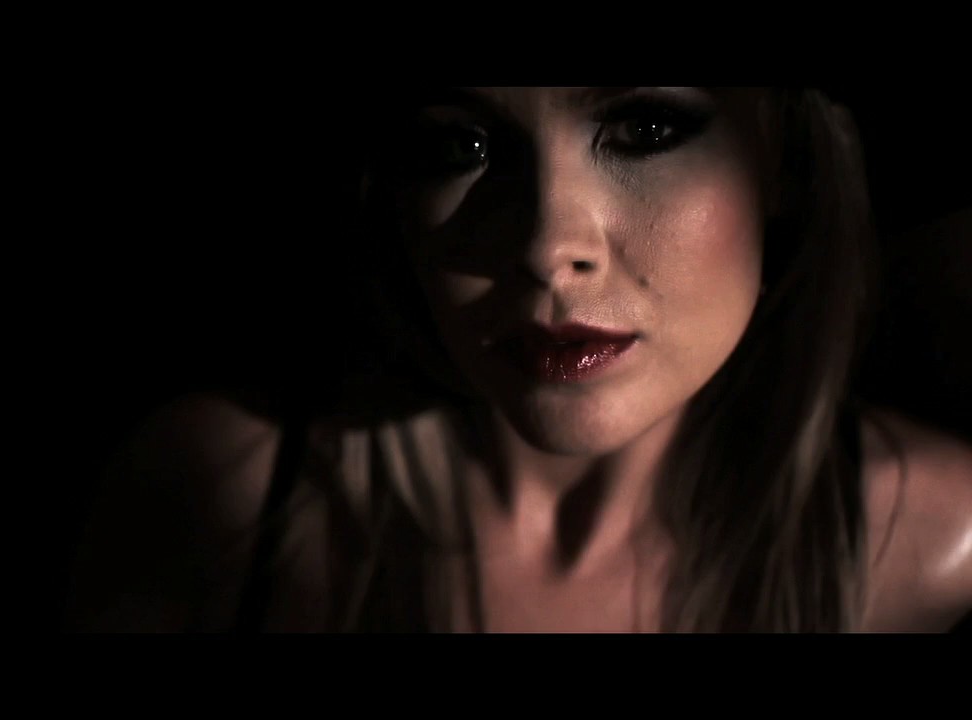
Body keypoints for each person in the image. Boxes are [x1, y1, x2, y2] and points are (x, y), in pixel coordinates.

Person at [66, 87, 972, 633]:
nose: (546, 246)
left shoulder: (937, 544)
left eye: (645, 127)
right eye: (458, 145)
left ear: (788, 160)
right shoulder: (216, 501)